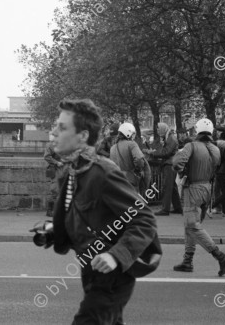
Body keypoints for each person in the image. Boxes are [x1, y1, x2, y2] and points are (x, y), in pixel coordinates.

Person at [48, 99, 158, 324]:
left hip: (113, 277)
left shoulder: (102, 172)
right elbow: (84, 220)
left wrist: (115, 255)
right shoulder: (73, 172)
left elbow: (144, 219)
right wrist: (51, 230)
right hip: (92, 273)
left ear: (83, 136)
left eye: (62, 127)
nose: (53, 133)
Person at [171, 119, 225, 276]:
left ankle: (220, 256)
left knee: (192, 225)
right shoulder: (215, 149)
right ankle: (187, 261)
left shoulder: (191, 146)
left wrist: (181, 172)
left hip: (192, 189)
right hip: (207, 189)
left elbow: (177, 162)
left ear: (197, 131)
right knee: (191, 226)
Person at [144, 122, 182, 215]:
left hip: (169, 164)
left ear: (162, 129)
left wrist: (152, 153)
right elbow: (166, 152)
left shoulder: (171, 138)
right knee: (172, 187)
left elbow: (166, 153)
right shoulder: (169, 137)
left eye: (158, 129)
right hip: (171, 163)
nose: (157, 131)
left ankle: (165, 209)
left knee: (167, 187)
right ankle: (178, 208)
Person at [110, 123, 148, 193]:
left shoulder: (113, 147)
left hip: (116, 180)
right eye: (133, 134)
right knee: (133, 203)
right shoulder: (132, 144)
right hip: (130, 180)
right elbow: (139, 160)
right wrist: (139, 169)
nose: (134, 136)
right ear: (128, 133)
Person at [44, 136, 63, 217]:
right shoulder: (51, 145)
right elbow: (46, 157)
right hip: (55, 169)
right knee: (55, 190)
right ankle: (50, 210)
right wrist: (57, 162)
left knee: (60, 190)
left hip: (62, 169)